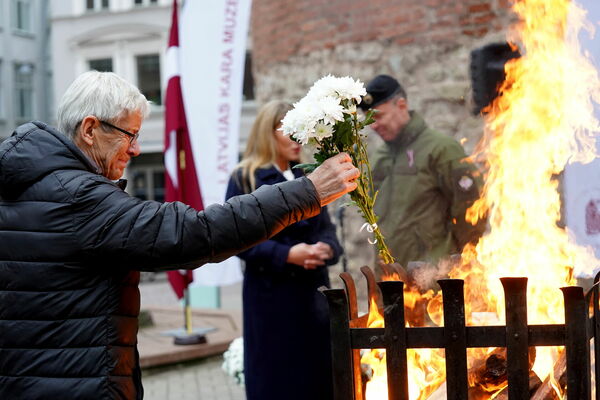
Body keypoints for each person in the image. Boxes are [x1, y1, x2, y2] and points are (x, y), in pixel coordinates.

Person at [0, 71, 360, 400]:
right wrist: (307, 193)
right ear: (91, 129)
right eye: (130, 135)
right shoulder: (77, 196)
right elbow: (192, 233)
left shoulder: (30, 185)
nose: (137, 149)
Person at [225, 100, 339, 400]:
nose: (299, 139)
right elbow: (237, 239)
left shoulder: (306, 177)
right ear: (269, 133)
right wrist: (287, 255)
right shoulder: (244, 178)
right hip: (272, 298)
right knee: (278, 379)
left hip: (313, 296)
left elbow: (327, 228)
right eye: (290, 131)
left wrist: (326, 248)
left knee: (317, 378)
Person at [359, 74, 484, 268]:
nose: (373, 125)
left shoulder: (441, 150)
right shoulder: (378, 159)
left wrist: (459, 266)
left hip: (434, 279)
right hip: (390, 281)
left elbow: (472, 213)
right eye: (368, 120)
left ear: (401, 105)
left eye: (378, 116)